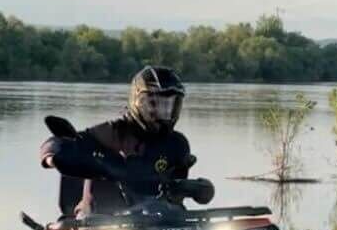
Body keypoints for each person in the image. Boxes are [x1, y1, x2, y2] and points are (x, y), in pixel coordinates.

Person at [40, 66, 212, 217]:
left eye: (169, 106)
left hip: (156, 220)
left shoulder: (177, 144)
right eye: (154, 104)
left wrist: (194, 188)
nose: (163, 112)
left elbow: (176, 192)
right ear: (138, 102)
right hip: (101, 221)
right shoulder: (113, 132)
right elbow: (56, 142)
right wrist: (53, 157)